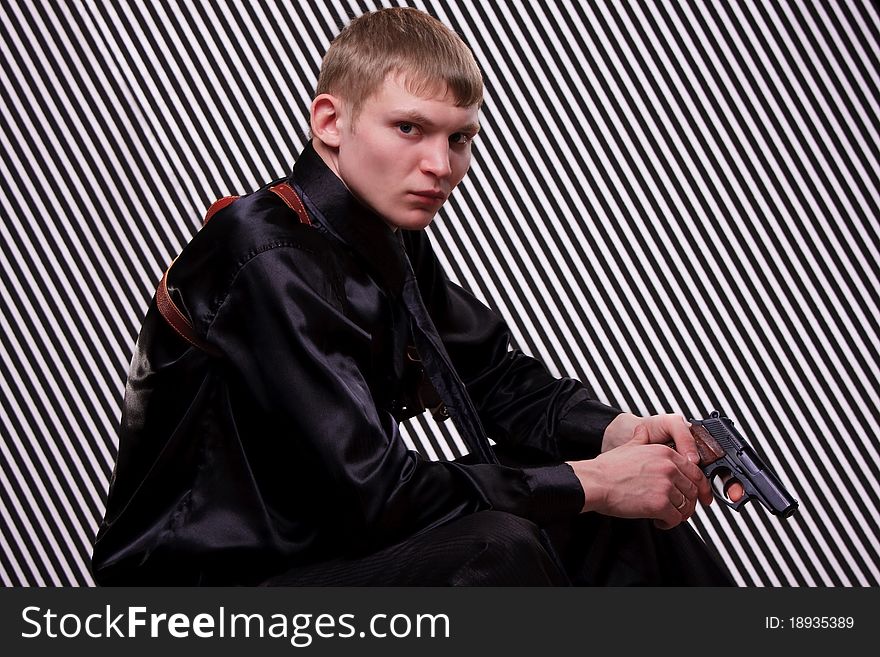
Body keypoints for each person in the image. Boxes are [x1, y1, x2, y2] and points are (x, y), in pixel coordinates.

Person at [91, 7, 736, 586]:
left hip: (325, 553)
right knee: (502, 546)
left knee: (616, 520)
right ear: (330, 123)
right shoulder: (267, 256)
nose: (441, 165)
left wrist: (621, 436)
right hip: (211, 591)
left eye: (458, 138)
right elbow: (375, 494)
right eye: (409, 128)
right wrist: (589, 481)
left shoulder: (377, 235)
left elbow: (491, 377)